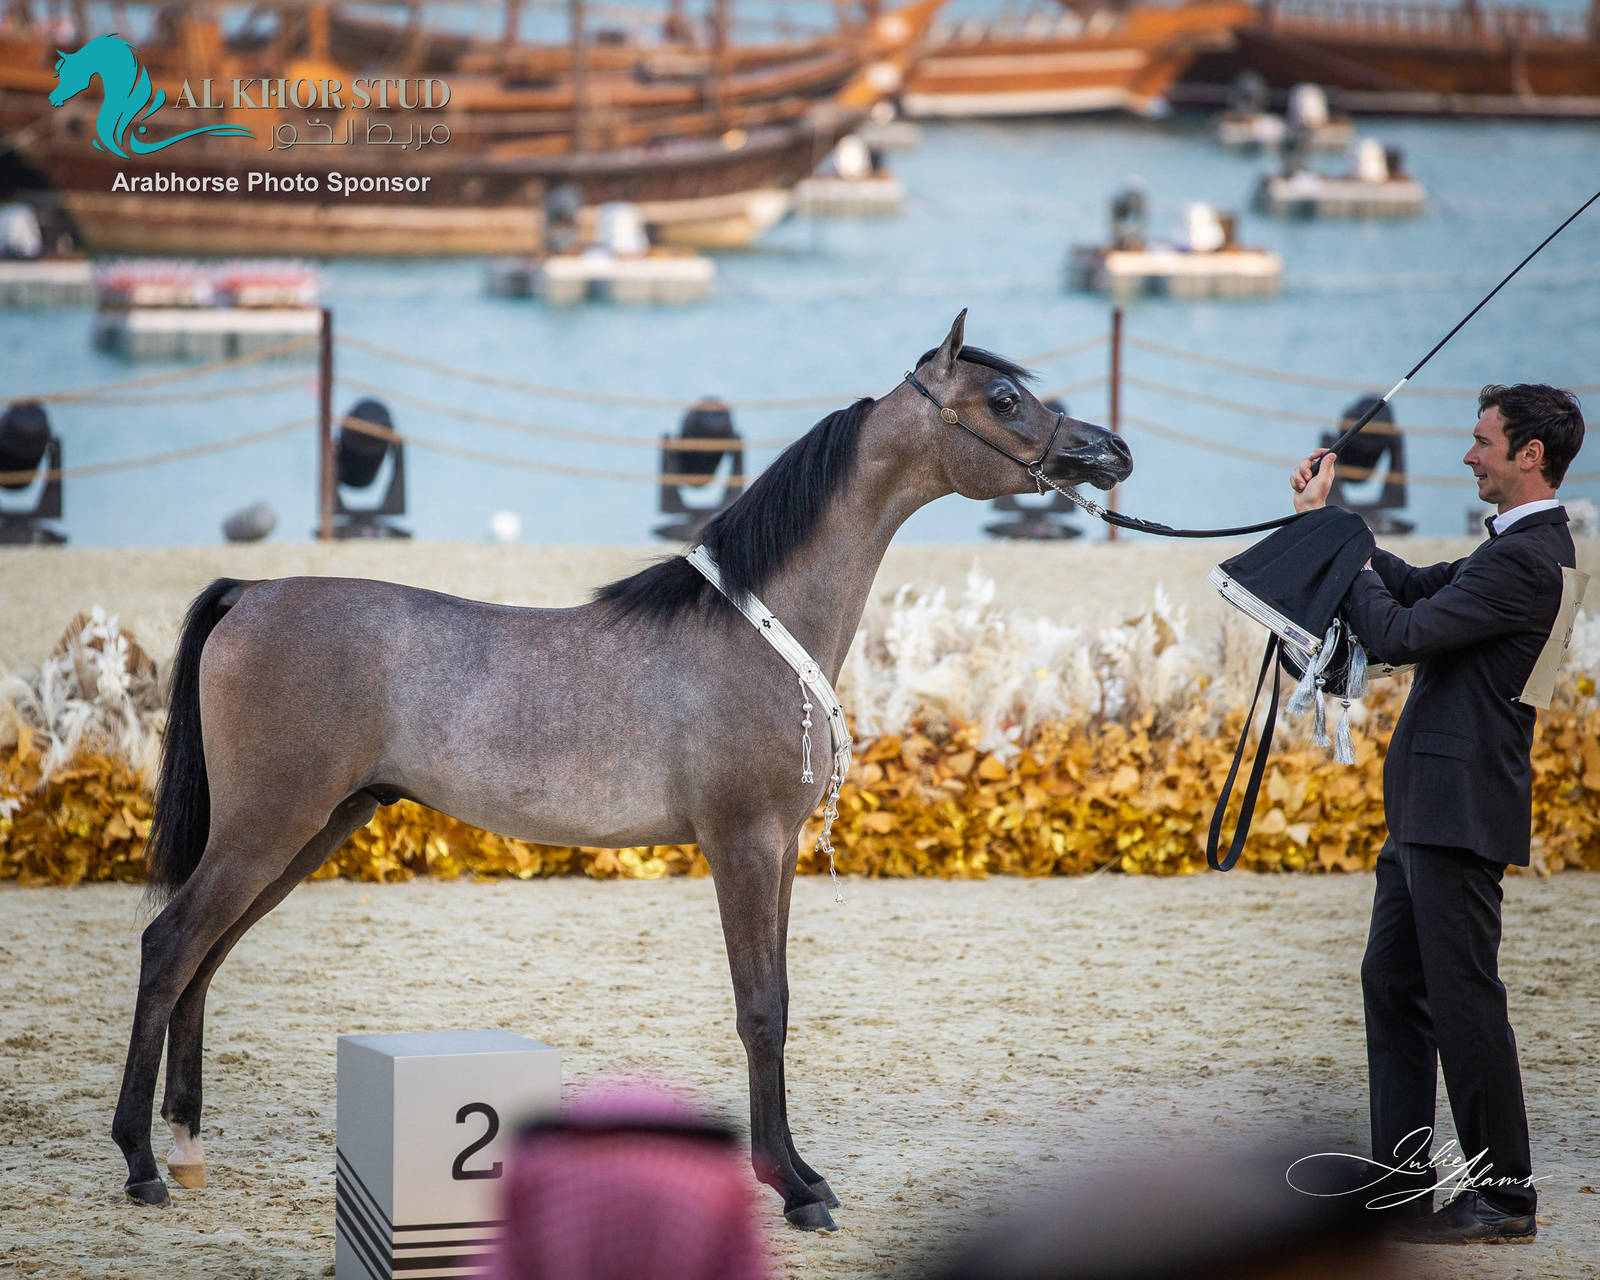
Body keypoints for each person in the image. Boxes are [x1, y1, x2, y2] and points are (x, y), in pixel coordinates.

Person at [1289, 383, 1585, 1244]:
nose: (1468, 455)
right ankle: (1405, 1184)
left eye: (1482, 441)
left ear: (1530, 454)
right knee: (1394, 982)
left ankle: (1504, 1197)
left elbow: (1399, 634)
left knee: (1465, 1000)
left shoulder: (1531, 558)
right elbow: (1413, 587)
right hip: (1434, 803)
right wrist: (1335, 523)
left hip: (1458, 805)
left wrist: (1334, 551)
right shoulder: (1520, 550)